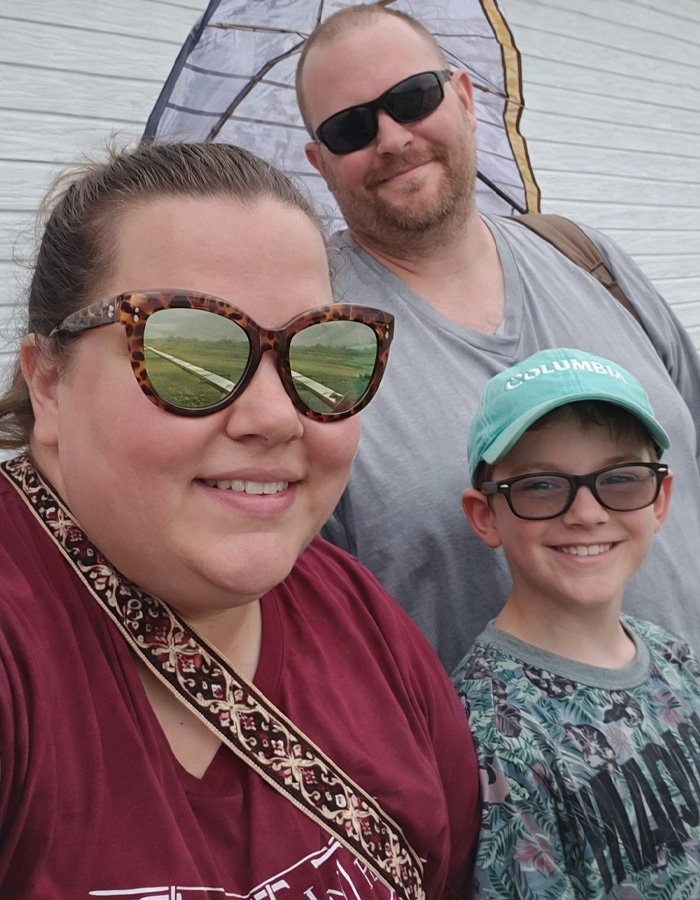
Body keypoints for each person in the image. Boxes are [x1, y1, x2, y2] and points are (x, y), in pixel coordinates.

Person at [0, 140, 479, 898]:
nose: (276, 417)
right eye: (190, 351)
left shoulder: (369, 630)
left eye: (321, 356)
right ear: (49, 384)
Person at [294, 3, 700, 673]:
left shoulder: (584, 255)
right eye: (350, 128)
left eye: (412, 98)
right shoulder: (315, 343)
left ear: (463, 97)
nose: (391, 138)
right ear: (319, 160)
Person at [452, 346, 700, 897]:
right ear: (485, 515)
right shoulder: (493, 730)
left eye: (621, 478)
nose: (587, 514)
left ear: (659, 501)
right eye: (541, 485)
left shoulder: (674, 656)